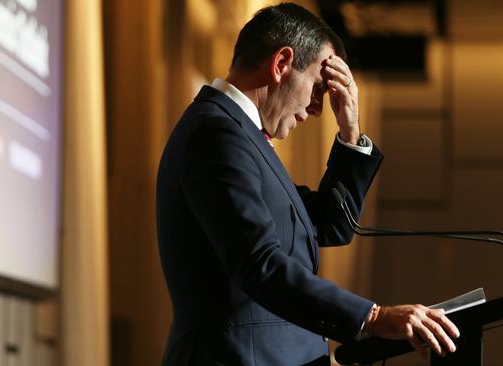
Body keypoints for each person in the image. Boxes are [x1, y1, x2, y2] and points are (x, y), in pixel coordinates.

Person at [156, 3, 459, 365]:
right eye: (319, 86)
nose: (319, 109)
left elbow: (327, 224)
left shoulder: (239, 136)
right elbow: (260, 264)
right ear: (282, 64)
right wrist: (372, 317)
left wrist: (350, 133)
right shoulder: (218, 134)